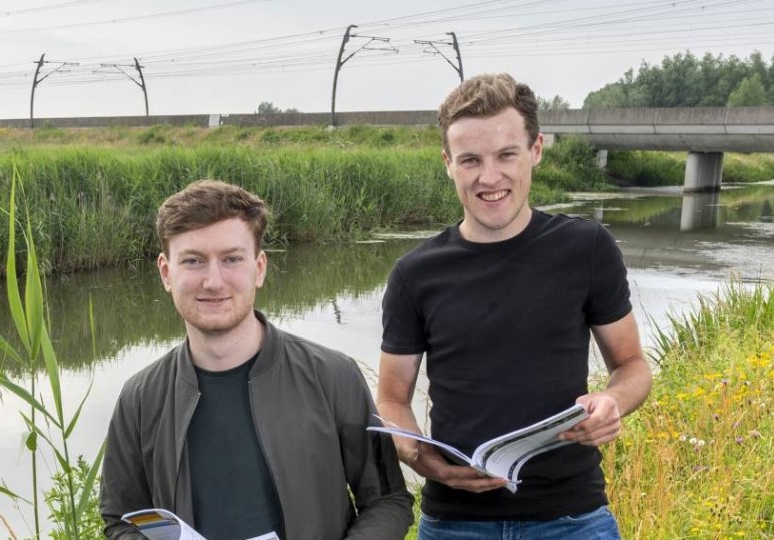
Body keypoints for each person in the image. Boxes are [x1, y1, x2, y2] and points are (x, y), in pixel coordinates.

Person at [375, 73, 653, 538]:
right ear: (448, 163)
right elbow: (391, 398)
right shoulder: (414, 274)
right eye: (470, 160)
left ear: (536, 150)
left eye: (507, 154)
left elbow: (632, 366)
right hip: (454, 522)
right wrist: (422, 459)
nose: (490, 177)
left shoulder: (587, 247)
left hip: (572, 517)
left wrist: (612, 403)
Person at [99, 180, 413, 540]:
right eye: (193, 261)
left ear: (259, 267)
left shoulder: (333, 376)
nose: (213, 281)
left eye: (231, 259)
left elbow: (388, 502)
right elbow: (122, 519)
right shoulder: (140, 397)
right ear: (166, 272)